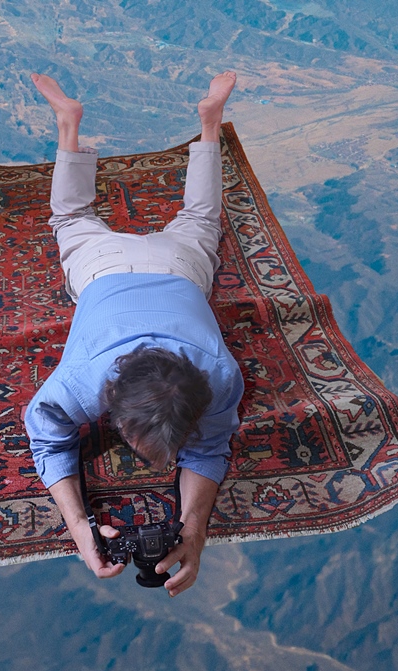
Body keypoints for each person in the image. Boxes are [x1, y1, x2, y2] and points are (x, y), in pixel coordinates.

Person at [24, 71, 243, 597]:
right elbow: (210, 449)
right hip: (126, 269)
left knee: (182, 220)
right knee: (189, 219)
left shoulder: (217, 375)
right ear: (110, 406)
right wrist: (83, 530)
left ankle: (70, 125)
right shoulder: (217, 378)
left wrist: (191, 532)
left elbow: (49, 440)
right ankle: (208, 125)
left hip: (160, 266)